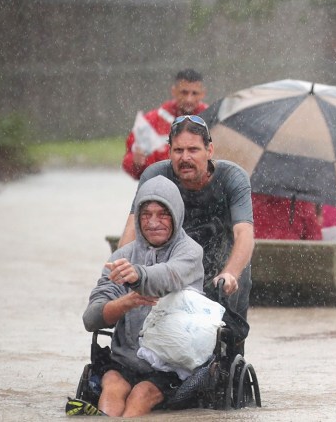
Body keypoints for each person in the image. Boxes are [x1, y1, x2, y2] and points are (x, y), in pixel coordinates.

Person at [78, 176, 204, 417]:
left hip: (173, 364)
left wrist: (138, 276)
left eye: (163, 214)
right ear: (137, 217)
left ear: (176, 215)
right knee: (113, 386)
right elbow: (91, 319)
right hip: (126, 360)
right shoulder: (120, 258)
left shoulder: (190, 252)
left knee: (141, 394)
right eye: (146, 214)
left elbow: (168, 276)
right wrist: (126, 302)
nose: (153, 222)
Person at [120, 115, 254, 336]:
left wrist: (230, 273)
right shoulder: (155, 176)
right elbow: (132, 229)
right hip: (172, 268)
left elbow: (244, 233)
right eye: (178, 151)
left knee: (224, 347)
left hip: (222, 274)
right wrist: (120, 270)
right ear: (169, 151)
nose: (185, 158)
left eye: (193, 150)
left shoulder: (232, 178)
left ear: (209, 150)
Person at [123, 69, 208, 180]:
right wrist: (136, 163)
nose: (189, 99)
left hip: (202, 193)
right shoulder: (150, 122)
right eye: (184, 92)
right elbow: (130, 161)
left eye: (194, 93)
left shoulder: (214, 121)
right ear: (174, 91)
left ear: (203, 94)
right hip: (160, 190)